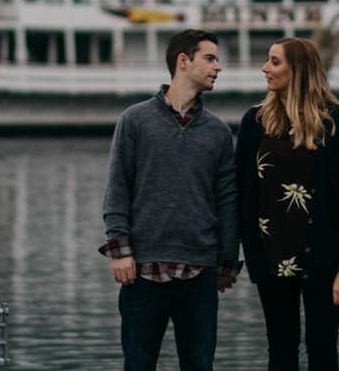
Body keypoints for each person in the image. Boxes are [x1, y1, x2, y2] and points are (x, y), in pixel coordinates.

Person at [101, 28, 239, 371]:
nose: (218, 67)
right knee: (138, 364)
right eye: (210, 58)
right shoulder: (135, 119)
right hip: (142, 271)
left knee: (199, 365)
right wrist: (120, 250)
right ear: (183, 61)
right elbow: (118, 188)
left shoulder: (219, 132)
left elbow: (227, 201)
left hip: (201, 272)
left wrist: (226, 262)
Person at [235, 37, 339, 371]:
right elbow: (242, 194)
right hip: (270, 257)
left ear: (299, 70)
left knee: (323, 350)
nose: (265, 68)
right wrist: (242, 253)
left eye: (275, 62)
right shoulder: (254, 122)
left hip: (324, 258)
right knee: (280, 351)